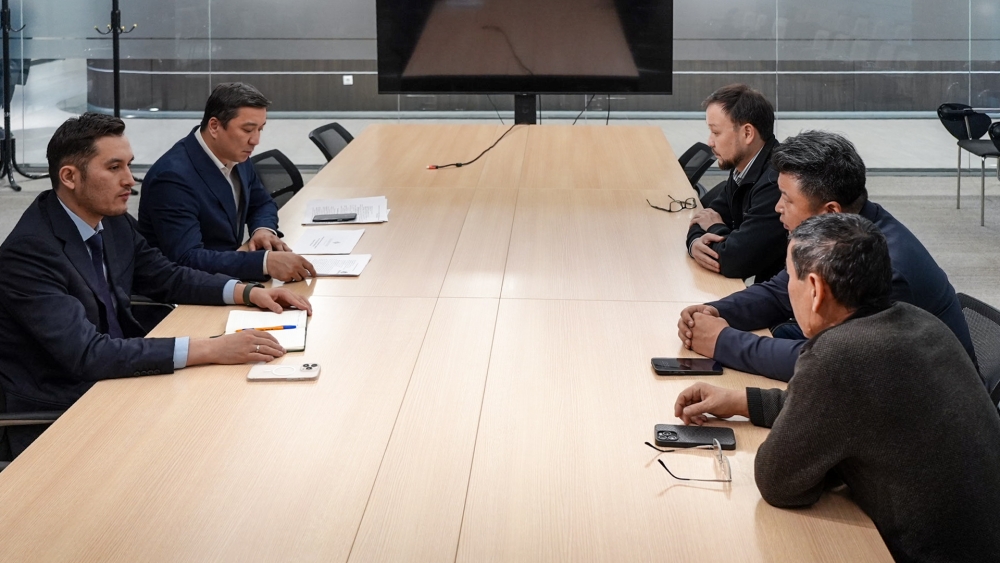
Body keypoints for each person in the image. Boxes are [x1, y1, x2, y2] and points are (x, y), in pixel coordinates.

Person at [673, 213, 1000, 562]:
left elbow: (778, 482)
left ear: (815, 290)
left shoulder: (839, 355)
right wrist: (743, 401)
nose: (787, 288)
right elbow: (839, 409)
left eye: (790, 278)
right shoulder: (918, 321)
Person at [0, 113, 313, 456]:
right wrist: (210, 349)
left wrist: (249, 292)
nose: (129, 180)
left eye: (128, 165)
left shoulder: (111, 220)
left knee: (238, 417)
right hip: (65, 410)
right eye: (114, 167)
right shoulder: (30, 253)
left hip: (118, 378)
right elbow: (87, 355)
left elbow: (167, 276)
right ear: (70, 177)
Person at [678, 130, 976, 381]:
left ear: (830, 211)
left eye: (787, 199)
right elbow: (780, 293)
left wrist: (721, 340)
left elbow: (830, 362)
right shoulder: (840, 234)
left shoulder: (883, 267)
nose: (777, 207)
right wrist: (713, 312)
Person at [138, 82, 315, 282]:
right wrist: (264, 263)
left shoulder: (236, 154)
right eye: (248, 130)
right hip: (192, 288)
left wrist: (263, 229)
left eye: (260, 129)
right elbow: (187, 259)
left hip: (229, 275)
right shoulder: (172, 178)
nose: (255, 140)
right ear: (214, 126)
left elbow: (262, 202)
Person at [685, 84, 786, 283]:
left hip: (781, 295)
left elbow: (735, 260)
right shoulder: (744, 165)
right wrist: (694, 242)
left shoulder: (776, 182)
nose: (710, 142)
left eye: (716, 132)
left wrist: (714, 227)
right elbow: (705, 215)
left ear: (747, 133)